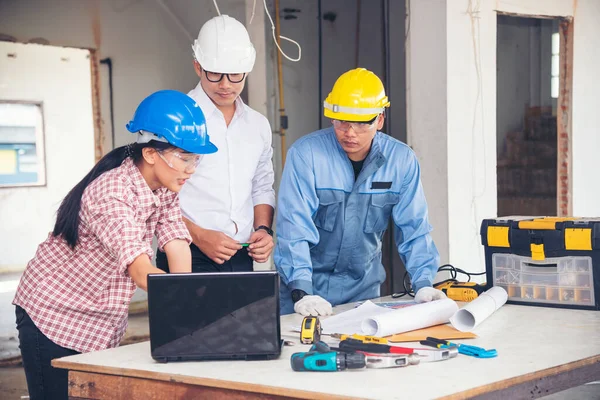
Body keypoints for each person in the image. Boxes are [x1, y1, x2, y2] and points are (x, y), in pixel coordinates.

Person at [12, 90, 217, 399]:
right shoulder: (112, 192)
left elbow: (176, 242)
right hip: (53, 314)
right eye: (185, 158)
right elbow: (139, 269)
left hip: (99, 321)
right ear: (151, 153)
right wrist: (185, 297)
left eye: (196, 159)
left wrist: (184, 295)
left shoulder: (164, 187)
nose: (191, 169)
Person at [274, 68, 447, 316]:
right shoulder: (307, 155)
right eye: (342, 121)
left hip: (363, 296)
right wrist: (302, 291)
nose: (350, 132)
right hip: (305, 294)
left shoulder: (400, 161)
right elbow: (294, 228)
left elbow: (414, 228)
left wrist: (424, 283)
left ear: (379, 119)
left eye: (361, 122)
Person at [156, 15, 276, 274]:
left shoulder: (258, 125)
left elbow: (262, 185)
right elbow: (155, 193)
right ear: (198, 67)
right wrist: (199, 236)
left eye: (235, 75)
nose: (225, 85)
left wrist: (264, 229)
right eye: (215, 74)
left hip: (242, 254)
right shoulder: (175, 118)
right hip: (185, 252)